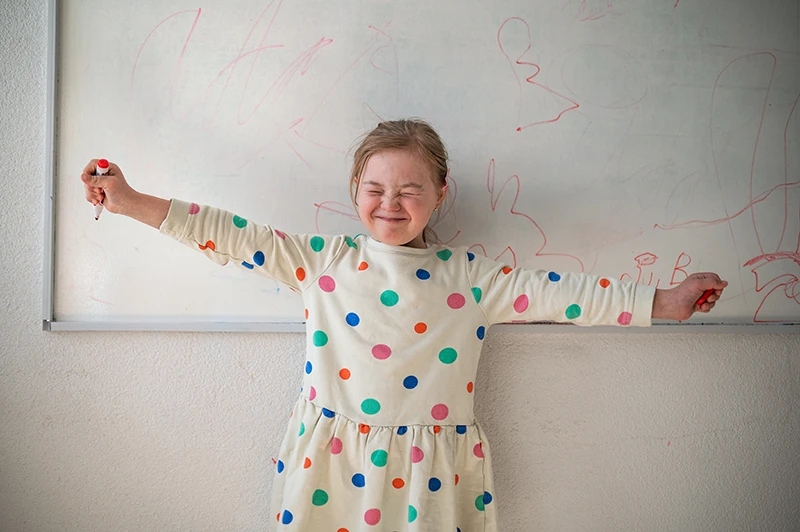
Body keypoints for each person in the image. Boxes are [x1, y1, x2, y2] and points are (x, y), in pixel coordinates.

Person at [81, 119, 727, 531]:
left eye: (409, 190)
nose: (389, 204)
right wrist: (129, 199)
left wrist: (665, 301)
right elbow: (222, 234)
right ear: (355, 189)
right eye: (375, 188)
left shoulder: (470, 278)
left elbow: (566, 295)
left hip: (430, 478)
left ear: (441, 193)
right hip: (333, 467)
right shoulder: (321, 261)